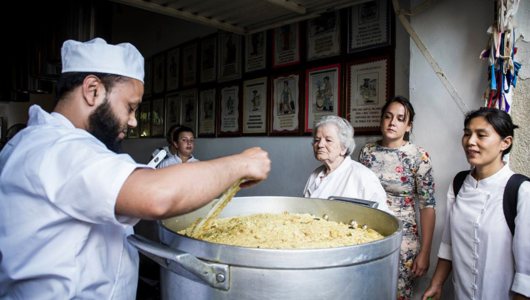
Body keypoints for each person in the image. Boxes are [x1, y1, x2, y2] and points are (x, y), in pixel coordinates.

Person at [0, 38, 270, 300]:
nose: (131, 121)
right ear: (93, 90)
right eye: (130, 107)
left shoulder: (38, 141)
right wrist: (241, 163)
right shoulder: (57, 147)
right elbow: (157, 194)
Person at [422, 107, 530, 300]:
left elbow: (526, 274)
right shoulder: (459, 183)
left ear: (505, 143)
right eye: (467, 134)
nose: (470, 142)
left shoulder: (520, 190)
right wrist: (436, 284)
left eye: (481, 135)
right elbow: (448, 244)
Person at [359, 96, 435, 300]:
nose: (393, 122)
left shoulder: (418, 156)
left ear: (408, 126)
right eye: (388, 116)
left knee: (397, 294)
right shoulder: (367, 151)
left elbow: (427, 206)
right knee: (367, 291)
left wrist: (425, 253)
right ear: (381, 120)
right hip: (369, 235)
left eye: (401, 119)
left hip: (403, 240)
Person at [303, 115, 391, 213]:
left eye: (328, 140)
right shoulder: (315, 175)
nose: (320, 145)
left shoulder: (363, 176)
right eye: (317, 140)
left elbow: (383, 217)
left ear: (344, 148)